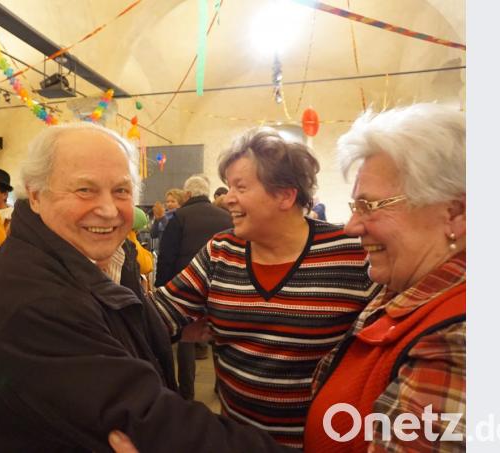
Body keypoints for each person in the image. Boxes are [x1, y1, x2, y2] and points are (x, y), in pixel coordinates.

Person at [0, 122, 295, 452]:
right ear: (35, 195)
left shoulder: (104, 257)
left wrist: (173, 329)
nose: (107, 210)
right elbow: (148, 419)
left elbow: (116, 327)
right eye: (84, 189)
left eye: (121, 191)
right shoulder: (35, 299)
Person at [148, 127, 380, 448]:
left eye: (240, 187)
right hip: (238, 441)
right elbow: (157, 315)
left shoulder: (352, 253)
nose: (228, 198)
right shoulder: (222, 250)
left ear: (285, 195)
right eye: (229, 186)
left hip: (320, 443)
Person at [303, 103, 466, 451]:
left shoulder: (458, 343)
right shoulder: (402, 288)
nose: (352, 226)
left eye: (370, 206)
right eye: (354, 207)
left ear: (455, 213)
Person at [155, 174, 232, 400]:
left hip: (187, 287)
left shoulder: (179, 216)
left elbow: (166, 256)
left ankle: (187, 390)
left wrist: (163, 286)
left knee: (186, 340)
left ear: (187, 194)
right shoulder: (225, 217)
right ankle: (222, 385)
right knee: (220, 337)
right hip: (221, 286)